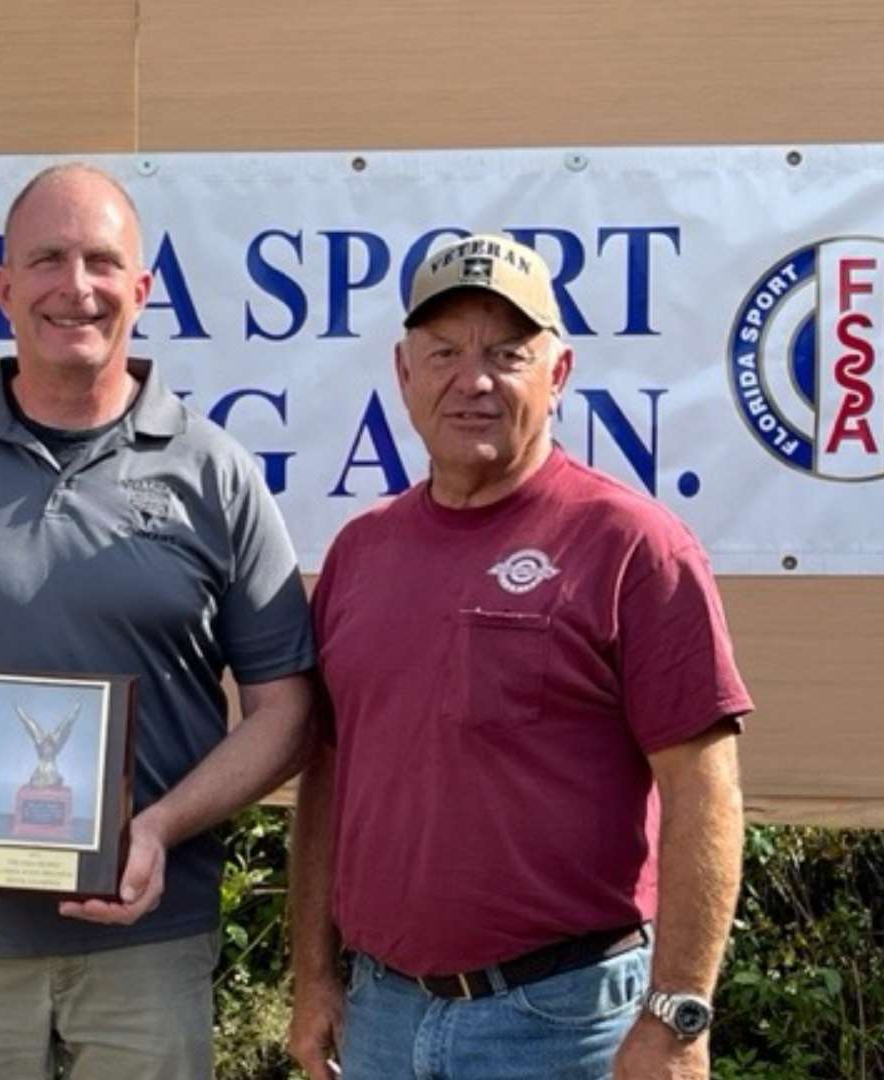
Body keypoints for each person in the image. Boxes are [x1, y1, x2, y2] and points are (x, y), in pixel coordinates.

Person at [0, 162, 316, 1080]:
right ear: (3, 287)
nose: (75, 287)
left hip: (150, 939)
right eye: (46, 260)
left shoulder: (215, 473)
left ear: (143, 286)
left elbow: (285, 709)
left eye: (101, 260)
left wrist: (161, 828)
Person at [287, 234, 751, 1080]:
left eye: (508, 353)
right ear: (404, 372)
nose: (474, 380)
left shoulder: (633, 546)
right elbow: (328, 773)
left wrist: (679, 1016)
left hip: (566, 1025)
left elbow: (703, 787)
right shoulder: (360, 554)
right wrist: (314, 975)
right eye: (445, 352)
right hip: (383, 1016)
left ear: (559, 372)